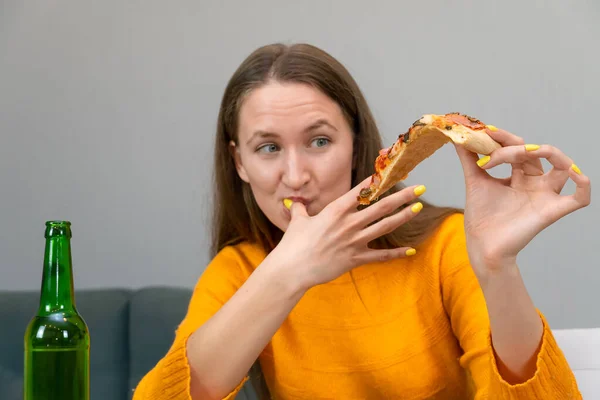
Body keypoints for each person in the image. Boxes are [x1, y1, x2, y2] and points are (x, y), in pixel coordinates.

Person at [133, 43, 591, 400]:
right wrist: (286, 273)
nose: (295, 176)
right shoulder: (241, 270)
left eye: (318, 141)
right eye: (268, 148)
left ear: (356, 144)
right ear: (239, 163)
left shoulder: (444, 249)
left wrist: (497, 267)